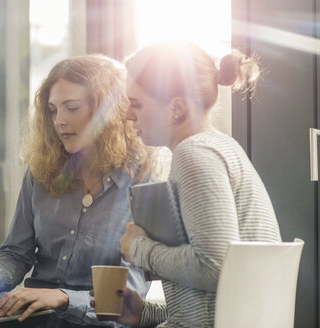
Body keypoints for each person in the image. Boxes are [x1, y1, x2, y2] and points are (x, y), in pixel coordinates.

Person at [92, 41, 282, 328]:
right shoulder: (221, 146)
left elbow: (216, 266)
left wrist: (139, 248)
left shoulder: (194, 155)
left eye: (137, 104)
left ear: (177, 108)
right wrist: (145, 314)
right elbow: (218, 297)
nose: (128, 115)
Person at [0, 54, 154, 326]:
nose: (59, 120)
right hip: (35, 316)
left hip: (96, 321)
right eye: (53, 110)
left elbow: (129, 294)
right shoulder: (42, 171)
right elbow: (15, 253)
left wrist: (63, 298)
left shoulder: (143, 181)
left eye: (71, 108)